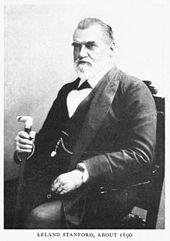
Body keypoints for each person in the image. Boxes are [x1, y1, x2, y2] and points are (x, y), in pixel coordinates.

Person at [14, 18, 157, 229]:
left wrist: (83, 173)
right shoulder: (67, 90)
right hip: (53, 182)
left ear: (110, 49)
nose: (81, 53)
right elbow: (45, 143)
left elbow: (140, 154)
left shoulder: (133, 90)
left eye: (90, 45)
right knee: (7, 203)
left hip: (100, 192)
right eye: (76, 46)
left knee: (39, 219)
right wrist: (27, 148)